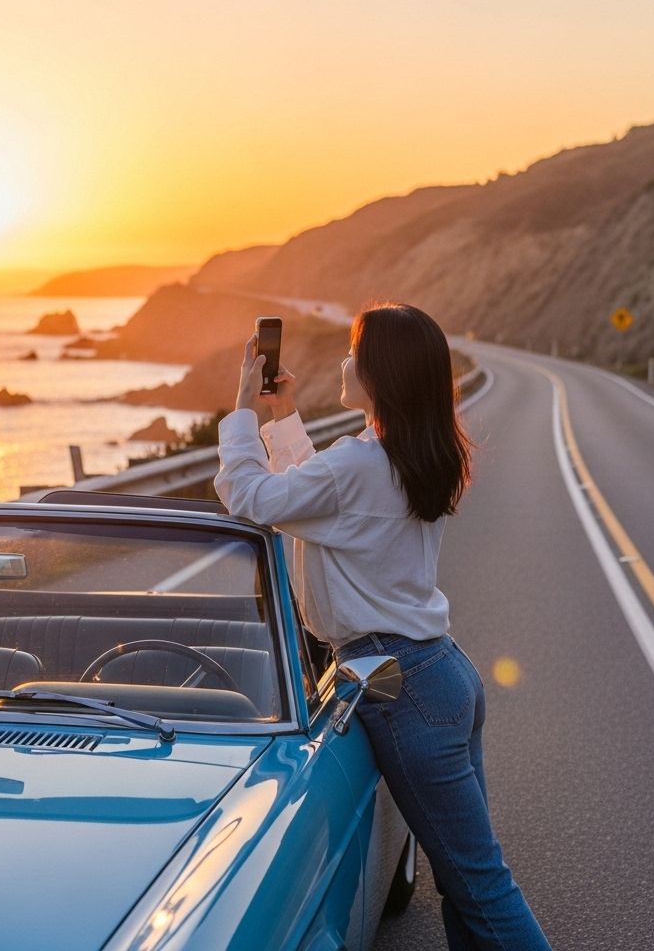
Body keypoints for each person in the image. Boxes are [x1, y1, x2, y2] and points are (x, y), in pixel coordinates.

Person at [214, 302, 552, 951]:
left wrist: (242, 412)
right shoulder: (403, 454)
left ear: (380, 373)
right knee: (468, 886)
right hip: (438, 675)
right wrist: (283, 418)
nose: (344, 361)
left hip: (403, 690)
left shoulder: (359, 466)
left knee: (483, 887)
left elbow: (253, 498)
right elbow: (319, 494)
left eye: (354, 352)